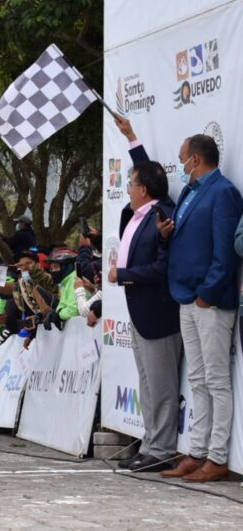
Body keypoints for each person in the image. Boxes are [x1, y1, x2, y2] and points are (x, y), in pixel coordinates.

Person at [116, 116, 242, 482]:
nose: (180, 164)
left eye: (183, 158)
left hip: (209, 301)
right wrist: (164, 234)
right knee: (199, 381)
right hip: (184, 297)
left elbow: (225, 252)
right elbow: (178, 240)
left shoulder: (224, 192)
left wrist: (207, 294)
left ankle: (217, 457)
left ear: (197, 159)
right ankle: (197, 451)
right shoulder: (188, 193)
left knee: (217, 381)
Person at [109, 122, 183, 473]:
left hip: (158, 313)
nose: (128, 187)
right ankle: (151, 444)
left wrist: (122, 275)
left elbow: (162, 268)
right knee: (147, 384)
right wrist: (131, 139)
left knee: (163, 386)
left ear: (145, 189)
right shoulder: (138, 214)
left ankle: (163, 449)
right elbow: (148, 169)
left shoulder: (162, 214)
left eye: (132, 182)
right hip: (139, 312)